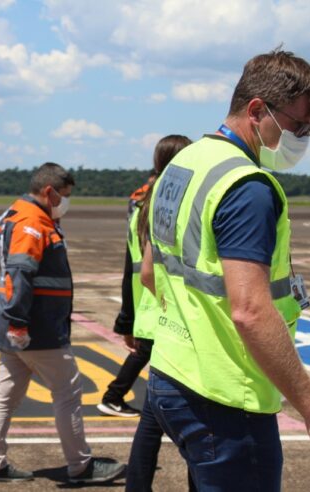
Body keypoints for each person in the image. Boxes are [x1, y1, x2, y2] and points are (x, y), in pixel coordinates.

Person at [141, 49, 310, 491]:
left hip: (170, 376)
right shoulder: (245, 187)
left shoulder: (183, 164)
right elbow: (251, 311)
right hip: (224, 397)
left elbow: (150, 271)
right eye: (299, 126)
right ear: (257, 110)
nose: (303, 137)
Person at [0, 163, 125, 485]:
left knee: (6, 393)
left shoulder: (15, 213)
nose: (65, 202)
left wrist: (11, 314)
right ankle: (80, 466)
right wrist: (19, 320)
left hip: (15, 322)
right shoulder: (33, 222)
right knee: (68, 391)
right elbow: (20, 271)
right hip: (36, 325)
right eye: (64, 196)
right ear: (49, 191)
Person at [98, 135, 192, 419]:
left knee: (148, 351)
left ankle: (123, 398)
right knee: (151, 353)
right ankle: (115, 395)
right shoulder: (168, 201)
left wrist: (125, 317)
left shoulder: (140, 201)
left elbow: (130, 264)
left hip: (143, 293)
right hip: (160, 291)